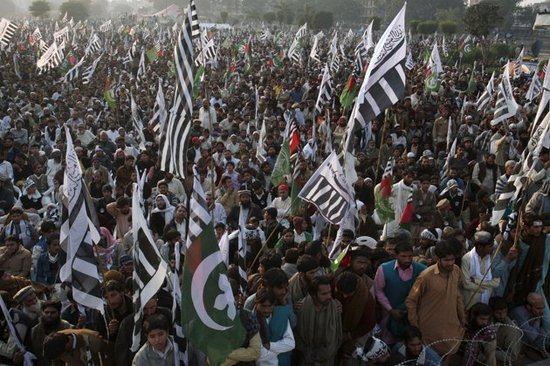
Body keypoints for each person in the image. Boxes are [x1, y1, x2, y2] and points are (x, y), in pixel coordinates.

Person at [406, 240, 465, 357]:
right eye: (446, 260)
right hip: (429, 329)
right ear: (438, 258)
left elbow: (457, 295)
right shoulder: (426, 276)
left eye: (452, 259)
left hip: (451, 326)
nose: (450, 263)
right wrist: (415, 326)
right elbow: (411, 301)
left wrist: (462, 317)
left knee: (450, 354)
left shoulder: (456, 271)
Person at [374, 242, 426, 343]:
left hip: (413, 316)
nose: (407, 259)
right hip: (389, 316)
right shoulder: (384, 269)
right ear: (396, 255)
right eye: (403, 256)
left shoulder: (422, 270)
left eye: (410, 256)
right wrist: (391, 310)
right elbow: (379, 291)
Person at [295, 276, 342, 365]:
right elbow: (298, 336)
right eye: (324, 294)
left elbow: (336, 337)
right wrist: (309, 355)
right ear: (313, 295)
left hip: (327, 358)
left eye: (329, 292)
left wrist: (322, 355)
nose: (328, 296)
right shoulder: (301, 308)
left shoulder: (335, 308)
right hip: (306, 358)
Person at [334, 272, 377, 363]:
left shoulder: (366, 299)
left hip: (357, 333)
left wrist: (349, 336)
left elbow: (369, 323)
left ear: (355, 289)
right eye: (342, 293)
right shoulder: (335, 283)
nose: (344, 296)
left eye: (348, 294)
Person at [254, 287, 295, 366]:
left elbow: (290, 343)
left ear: (274, 305)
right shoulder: (250, 319)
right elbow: (257, 353)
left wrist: (270, 346)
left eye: (269, 306)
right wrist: (279, 348)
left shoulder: (281, 315)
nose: (266, 310)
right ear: (256, 304)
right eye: (263, 306)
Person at [460, 231, 500, 309]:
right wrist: (484, 289)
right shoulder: (467, 259)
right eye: (490, 246)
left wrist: (475, 281)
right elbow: (466, 284)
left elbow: (496, 283)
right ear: (480, 247)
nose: (493, 248)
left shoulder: (493, 258)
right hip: (470, 302)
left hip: (486, 300)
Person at [30, 300, 72, 366]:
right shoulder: (35, 331)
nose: (49, 315)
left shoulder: (66, 327)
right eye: (46, 312)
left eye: (53, 312)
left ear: (59, 313)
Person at [510, 293, 550, 358]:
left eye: (543, 308)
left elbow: (539, 331)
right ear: (529, 306)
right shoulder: (519, 313)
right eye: (538, 308)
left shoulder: (536, 313)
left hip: (532, 340)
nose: (542, 311)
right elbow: (532, 335)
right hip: (519, 342)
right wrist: (537, 320)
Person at [488, 296, 521, 364]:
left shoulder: (511, 329)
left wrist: (487, 351)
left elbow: (512, 356)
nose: (502, 316)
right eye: (498, 313)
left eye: (505, 312)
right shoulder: (487, 320)